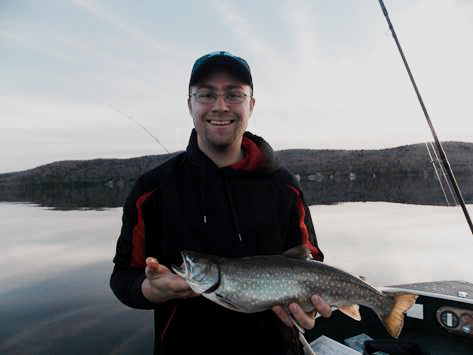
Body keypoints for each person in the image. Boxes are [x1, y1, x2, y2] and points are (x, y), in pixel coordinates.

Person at [110, 51, 331, 355]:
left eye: (234, 95)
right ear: (190, 104)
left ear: (251, 104)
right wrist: (150, 290)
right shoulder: (151, 190)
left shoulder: (284, 186)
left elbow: (310, 259)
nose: (220, 106)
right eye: (206, 94)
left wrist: (311, 306)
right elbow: (123, 277)